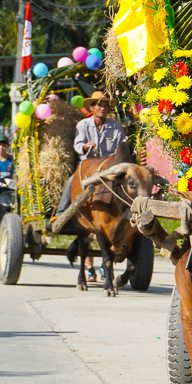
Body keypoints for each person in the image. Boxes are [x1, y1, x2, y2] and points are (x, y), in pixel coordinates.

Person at [55, 90, 126, 282]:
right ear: (92, 108)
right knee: (70, 182)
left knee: (129, 186)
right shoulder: (83, 125)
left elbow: (123, 145)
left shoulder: (115, 127)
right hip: (87, 169)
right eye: (98, 104)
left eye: (105, 105)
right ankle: (62, 211)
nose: (102, 108)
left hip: (110, 170)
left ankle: (129, 213)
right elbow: (77, 144)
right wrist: (85, 146)